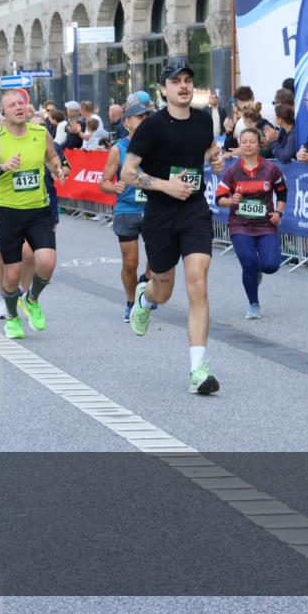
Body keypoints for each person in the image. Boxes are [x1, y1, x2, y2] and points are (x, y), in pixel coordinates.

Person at [120, 61, 226, 395]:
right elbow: (127, 173)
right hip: (161, 213)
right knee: (163, 290)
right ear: (163, 89)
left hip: (194, 210)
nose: (183, 86)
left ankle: (198, 370)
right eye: (175, 81)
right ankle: (144, 297)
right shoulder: (151, 127)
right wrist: (166, 186)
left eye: (188, 80)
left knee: (199, 283)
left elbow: (207, 148)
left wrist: (216, 158)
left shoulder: (201, 119)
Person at [0, 89, 68, 340]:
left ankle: (32, 299)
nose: (18, 107)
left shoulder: (41, 133)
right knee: (13, 273)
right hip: (8, 211)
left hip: (38, 209)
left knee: (47, 262)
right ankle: (12, 317)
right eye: (11, 104)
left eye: (21, 103)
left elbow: (51, 157)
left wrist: (57, 169)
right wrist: (2, 168)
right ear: (3, 112)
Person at [215, 128, 287, 319]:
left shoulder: (271, 169)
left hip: (265, 225)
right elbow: (219, 198)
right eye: (244, 141)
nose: (247, 145)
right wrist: (231, 201)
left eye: (252, 141)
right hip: (240, 225)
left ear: (259, 143)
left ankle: (257, 272)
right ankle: (253, 304)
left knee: (270, 265)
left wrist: (278, 213)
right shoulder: (233, 171)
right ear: (239, 143)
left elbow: (282, 192)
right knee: (248, 262)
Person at [99, 103, 157, 322]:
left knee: (158, 261)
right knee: (130, 262)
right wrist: (113, 187)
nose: (143, 120)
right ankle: (131, 303)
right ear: (126, 122)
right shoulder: (119, 149)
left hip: (154, 209)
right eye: (138, 117)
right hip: (127, 210)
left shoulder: (157, 146)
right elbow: (104, 182)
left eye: (146, 117)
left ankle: (146, 281)